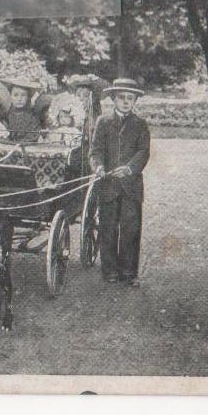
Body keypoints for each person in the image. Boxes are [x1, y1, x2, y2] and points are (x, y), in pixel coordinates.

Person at [88, 78, 151, 286]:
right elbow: (95, 151)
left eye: (130, 99)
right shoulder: (103, 122)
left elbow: (143, 152)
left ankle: (129, 272)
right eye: (121, 98)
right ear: (113, 99)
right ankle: (110, 271)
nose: (125, 102)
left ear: (135, 102)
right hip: (108, 185)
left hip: (131, 187)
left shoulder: (140, 125)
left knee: (131, 229)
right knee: (108, 228)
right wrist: (98, 167)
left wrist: (130, 168)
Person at [1, 77, 43, 142]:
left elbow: (34, 136)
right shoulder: (5, 116)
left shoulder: (33, 117)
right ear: (10, 97)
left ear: (28, 97)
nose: (19, 99)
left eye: (23, 95)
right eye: (15, 95)